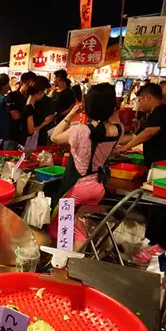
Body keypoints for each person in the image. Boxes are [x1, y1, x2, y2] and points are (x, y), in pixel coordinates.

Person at [50, 83, 123, 248]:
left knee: (61, 227)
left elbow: (54, 137)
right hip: (97, 187)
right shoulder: (117, 130)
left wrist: (71, 113)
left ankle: (63, 262)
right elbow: (113, 121)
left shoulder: (80, 131)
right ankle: (77, 261)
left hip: (77, 188)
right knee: (80, 228)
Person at [118, 83, 166, 167]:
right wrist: (117, 143)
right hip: (157, 163)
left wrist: (125, 147)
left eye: (140, 100)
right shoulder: (155, 114)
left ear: (148, 97)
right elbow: (136, 136)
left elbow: (148, 133)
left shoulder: (163, 111)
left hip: (165, 165)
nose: (139, 105)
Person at [7, 71, 36, 150]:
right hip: (13, 136)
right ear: (22, 82)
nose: (30, 87)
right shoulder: (12, 96)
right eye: (28, 84)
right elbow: (16, 116)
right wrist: (28, 108)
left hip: (29, 137)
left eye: (32, 85)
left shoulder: (34, 97)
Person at [24, 76, 55, 147]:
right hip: (34, 140)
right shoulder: (29, 107)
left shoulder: (27, 103)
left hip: (34, 139)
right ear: (40, 92)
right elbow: (31, 130)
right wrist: (44, 123)